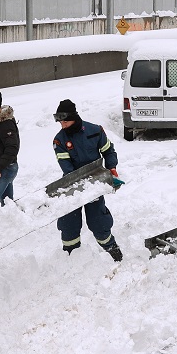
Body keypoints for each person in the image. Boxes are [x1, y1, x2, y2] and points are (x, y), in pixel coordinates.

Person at [51, 99, 123, 262]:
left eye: (65, 121)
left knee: (99, 222)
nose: (62, 124)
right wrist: (78, 185)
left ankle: (113, 250)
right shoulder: (59, 140)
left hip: (95, 183)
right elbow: (67, 168)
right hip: (71, 184)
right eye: (60, 121)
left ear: (74, 118)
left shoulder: (95, 131)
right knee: (69, 225)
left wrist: (112, 169)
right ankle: (71, 257)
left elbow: (109, 151)